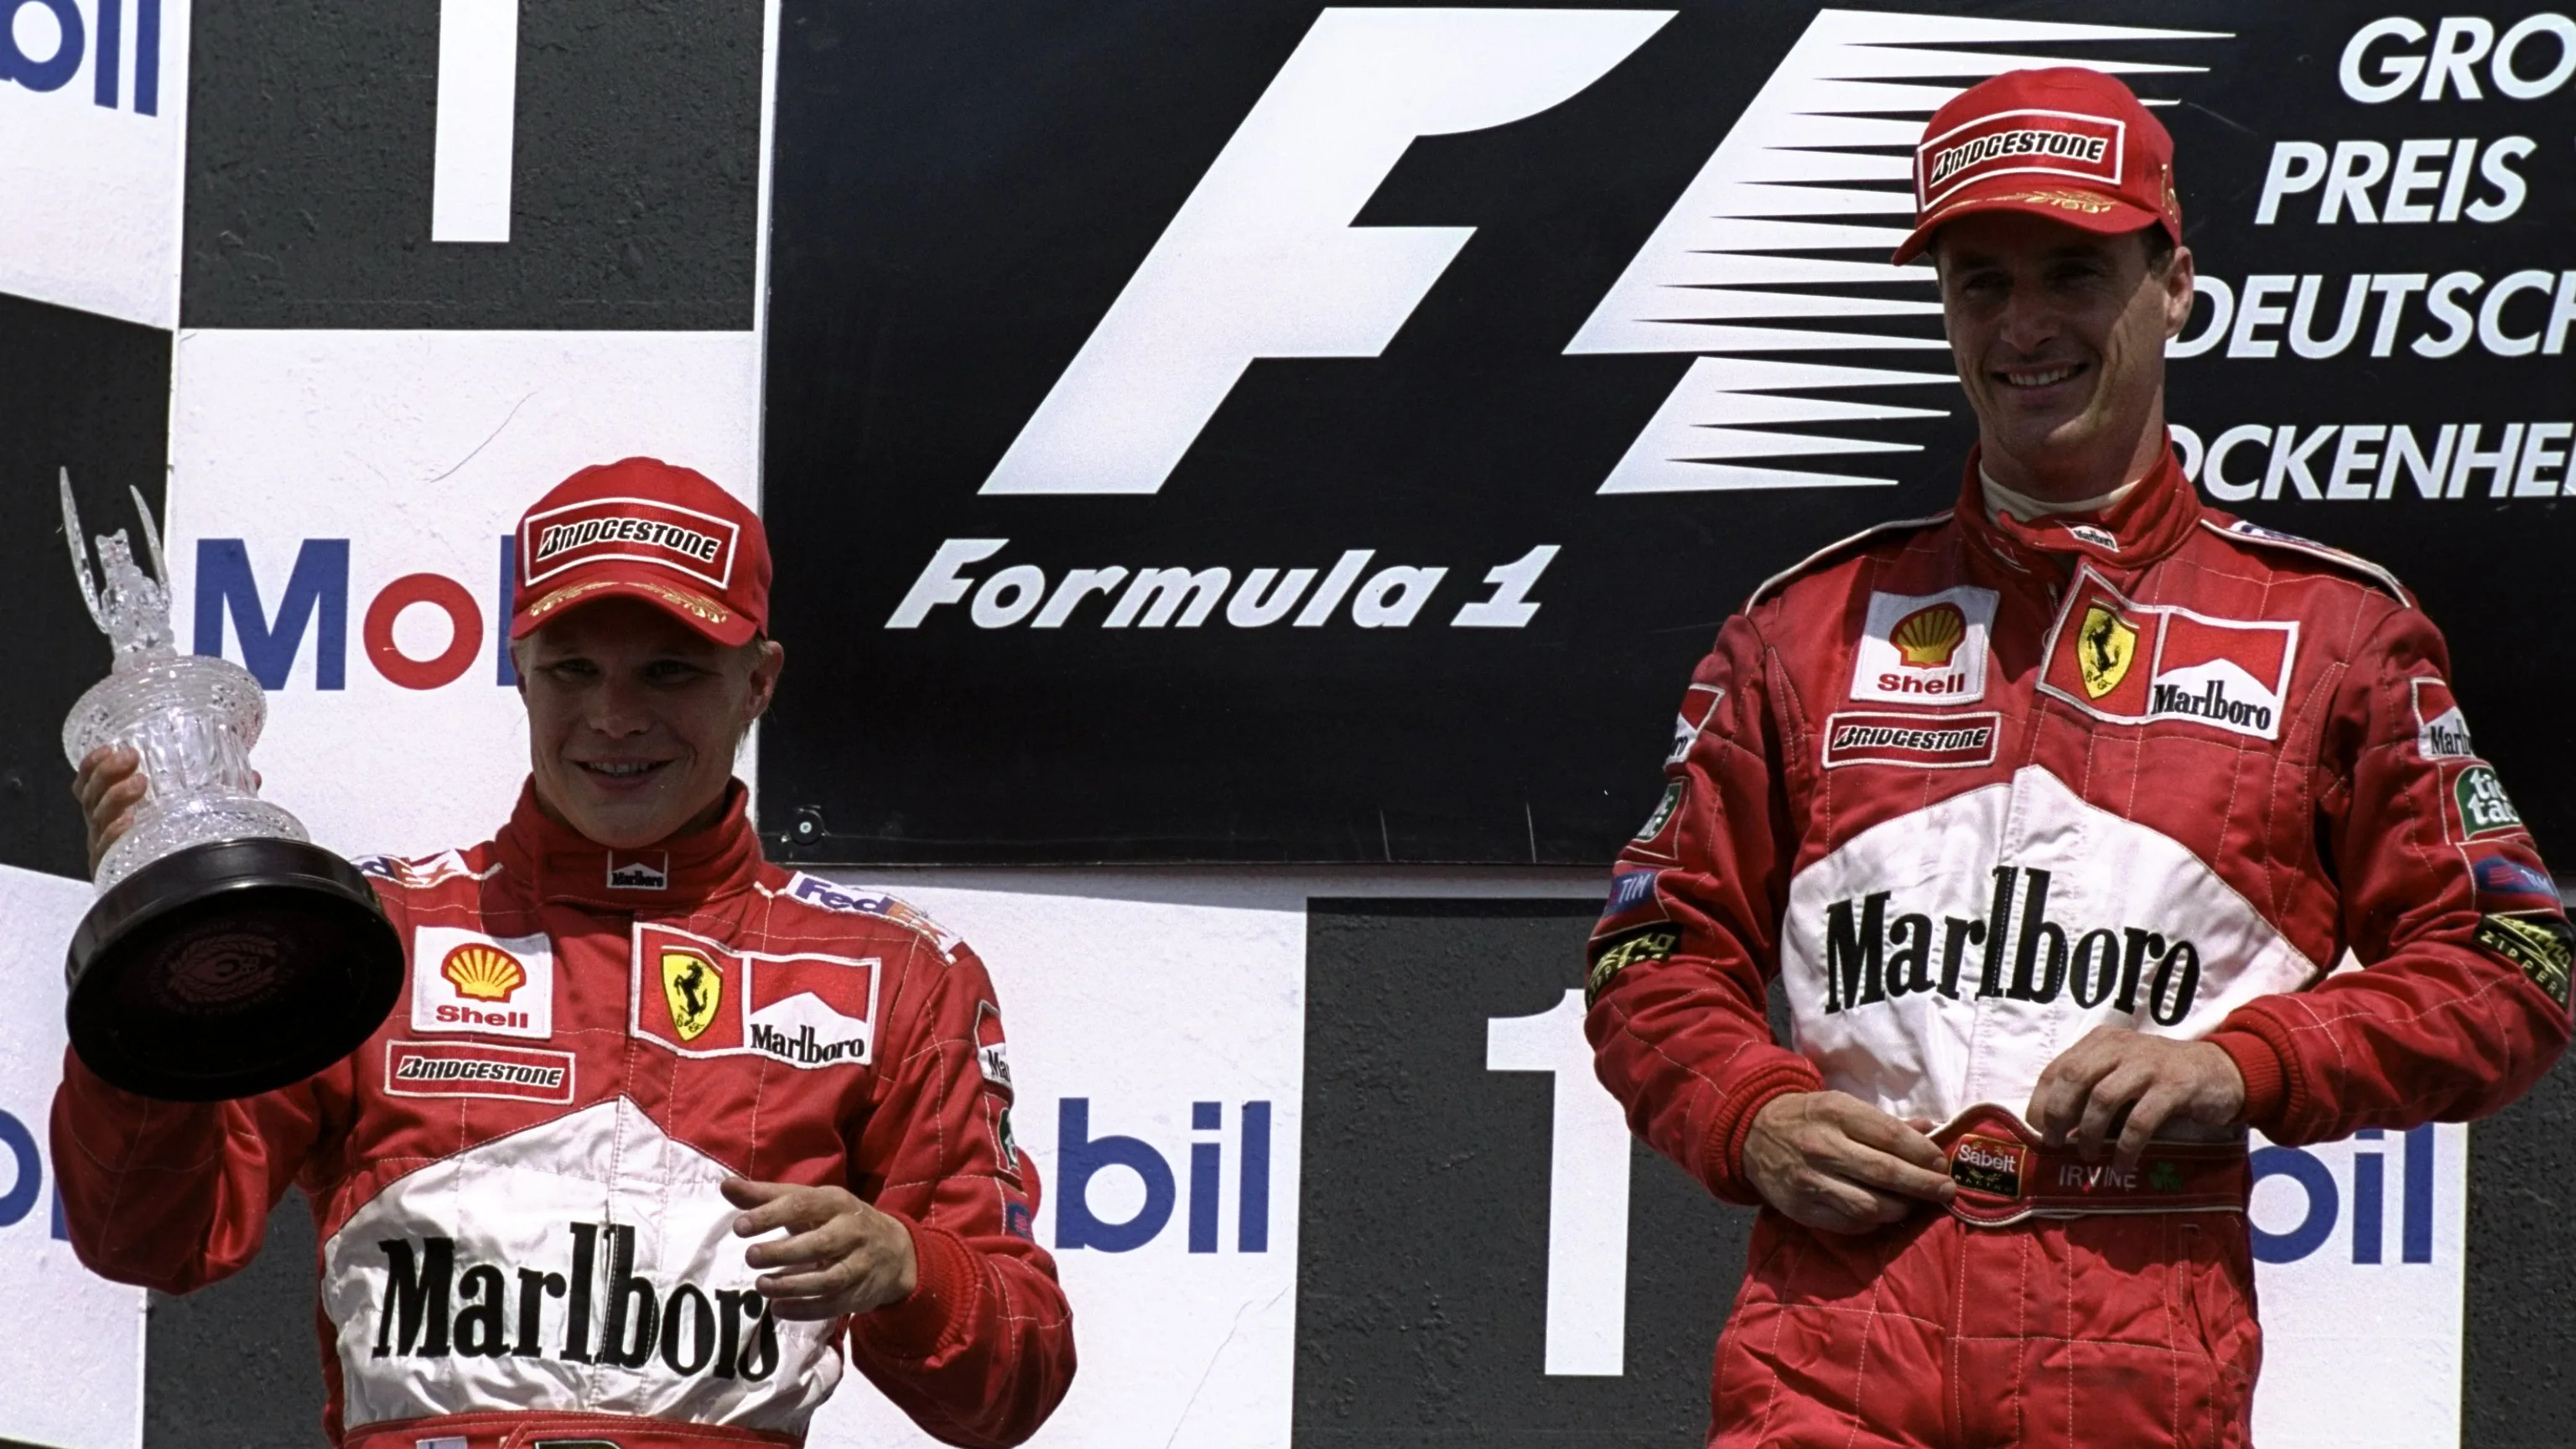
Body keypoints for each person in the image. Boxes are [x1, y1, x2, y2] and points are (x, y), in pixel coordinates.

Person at [1583, 66, 2570, 1448]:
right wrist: (1747, 1113)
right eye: (1979, 284)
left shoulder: (2332, 632)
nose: (2023, 325)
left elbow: (2507, 962)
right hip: (1824, 1369)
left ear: (2172, 281)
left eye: (2070, 270)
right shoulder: (1801, 629)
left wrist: (2253, 1062)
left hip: (2135, 1375)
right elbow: (1650, 954)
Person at [55, 458, 1075, 1449]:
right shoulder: (374, 931)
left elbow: (1011, 1390)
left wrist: (909, 1268)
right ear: (518, 669)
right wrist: (158, 954)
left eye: (669, 671)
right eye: (573, 669)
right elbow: (153, 1238)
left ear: (758, 682)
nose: (614, 717)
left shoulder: (892, 972)